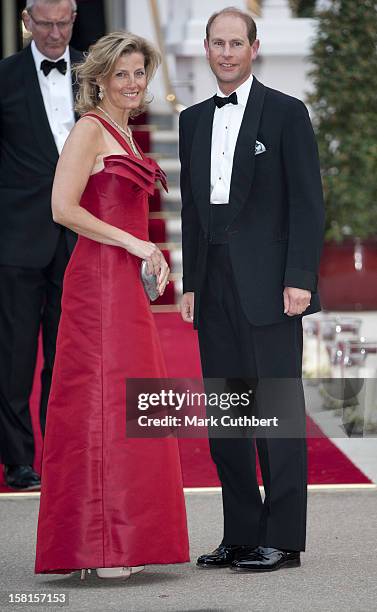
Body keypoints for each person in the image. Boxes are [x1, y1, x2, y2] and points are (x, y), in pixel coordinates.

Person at [35, 31, 189, 579]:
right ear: (98, 79)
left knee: (130, 402)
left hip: (124, 281)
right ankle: (101, 544)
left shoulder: (124, 131)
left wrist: (152, 256)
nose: (132, 83)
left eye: (139, 73)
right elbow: (62, 208)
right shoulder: (89, 129)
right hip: (97, 283)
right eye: (121, 74)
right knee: (103, 402)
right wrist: (135, 244)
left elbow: (125, 213)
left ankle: (120, 536)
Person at [179, 7, 324, 572]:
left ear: (254, 47)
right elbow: (191, 209)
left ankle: (282, 538)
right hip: (212, 286)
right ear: (207, 49)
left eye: (236, 43)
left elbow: (308, 205)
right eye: (218, 43)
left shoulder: (287, 114)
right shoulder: (192, 119)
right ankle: (240, 533)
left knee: (277, 416)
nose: (226, 53)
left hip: (271, 286)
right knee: (228, 419)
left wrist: (300, 279)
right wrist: (191, 283)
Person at [0, 0, 81, 490]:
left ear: (74, 18)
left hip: (78, 235)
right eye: (45, 23)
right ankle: (17, 460)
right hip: (16, 236)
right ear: (26, 21)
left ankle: (66, 451)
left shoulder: (96, 73)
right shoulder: (5, 77)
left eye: (63, 22)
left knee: (66, 352)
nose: (54, 33)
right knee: (13, 355)